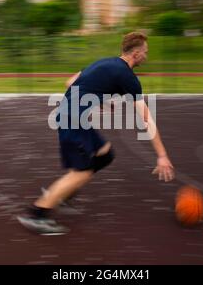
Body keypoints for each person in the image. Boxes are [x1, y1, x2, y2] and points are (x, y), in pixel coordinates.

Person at [17, 32, 175, 235]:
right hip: (73, 121)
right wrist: (162, 156)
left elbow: (70, 82)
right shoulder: (127, 77)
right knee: (81, 173)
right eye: (145, 52)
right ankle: (36, 215)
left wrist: (100, 100)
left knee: (105, 155)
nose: (147, 56)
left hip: (73, 118)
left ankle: (63, 194)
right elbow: (146, 119)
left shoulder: (105, 63)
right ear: (135, 54)